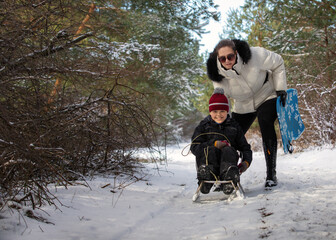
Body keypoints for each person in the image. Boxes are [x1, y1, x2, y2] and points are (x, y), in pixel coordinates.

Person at [206, 39, 287, 188]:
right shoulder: (218, 77)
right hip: (243, 105)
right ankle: (227, 174)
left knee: (265, 121)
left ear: (236, 53)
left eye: (230, 56)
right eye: (222, 59)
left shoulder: (255, 55)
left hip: (266, 94)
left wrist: (280, 88)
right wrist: (222, 123)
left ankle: (271, 174)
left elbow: (278, 62)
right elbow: (222, 102)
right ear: (218, 59)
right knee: (230, 135)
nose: (227, 61)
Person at [190, 88, 252, 194]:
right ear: (210, 111)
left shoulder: (234, 126)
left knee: (228, 150)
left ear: (227, 111)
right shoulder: (203, 126)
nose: (218, 115)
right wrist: (213, 144)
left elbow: (245, 148)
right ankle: (206, 178)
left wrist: (246, 162)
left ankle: (229, 178)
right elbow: (194, 147)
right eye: (215, 111)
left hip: (227, 162)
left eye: (222, 111)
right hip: (209, 162)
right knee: (210, 150)